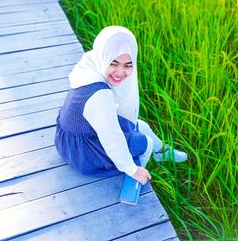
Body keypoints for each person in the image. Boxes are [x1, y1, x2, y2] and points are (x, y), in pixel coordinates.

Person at [55, 26, 187, 185]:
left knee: (141, 126)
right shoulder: (100, 95)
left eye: (128, 65)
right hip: (83, 153)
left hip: (70, 138)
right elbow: (111, 138)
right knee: (145, 143)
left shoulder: (91, 61)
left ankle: (162, 152)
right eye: (113, 63)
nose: (120, 72)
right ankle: (136, 177)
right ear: (104, 56)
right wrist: (132, 169)